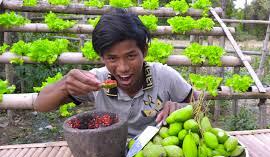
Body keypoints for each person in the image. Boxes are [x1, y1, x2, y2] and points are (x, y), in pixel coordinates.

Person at [34, 8, 197, 137]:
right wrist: (65, 85)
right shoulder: (97, 81)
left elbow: (198, 107)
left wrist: (181, 107)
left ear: (144, 51)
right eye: (112, 58)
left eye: (131, 56)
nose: (123, 68)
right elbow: (41, 105)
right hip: (110, 152)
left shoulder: (165, 76)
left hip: (157, 154)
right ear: (102, 58)